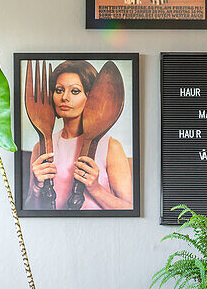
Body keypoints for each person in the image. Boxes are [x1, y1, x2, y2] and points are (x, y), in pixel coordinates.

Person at [25, 60, 133, 210]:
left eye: (75, 91)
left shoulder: (111, 147)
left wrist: (96, 189)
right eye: (59, 90)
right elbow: (29, 210)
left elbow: (130, 208)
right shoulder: (41, 146)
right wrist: (36, 188)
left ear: (91, 96)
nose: (65, 97)